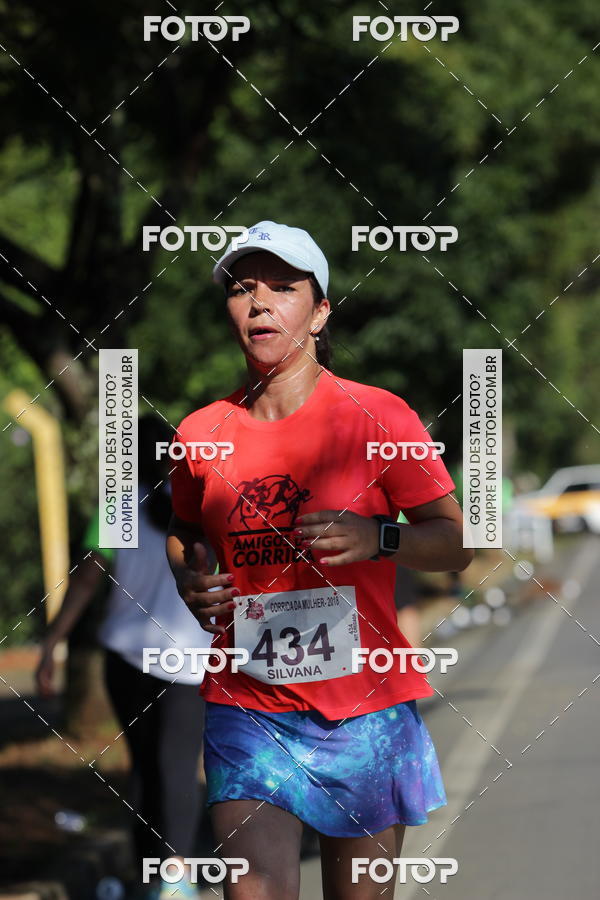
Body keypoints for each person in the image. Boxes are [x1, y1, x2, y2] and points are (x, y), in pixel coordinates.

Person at [166, 220, 473, 900]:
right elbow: (183, 531)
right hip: (248, 706)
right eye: (243, 289)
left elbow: (456, 543)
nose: (259, 303)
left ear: (320, 310)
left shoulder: (378, 416)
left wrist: (378, 538)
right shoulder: (201, 432)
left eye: (283, 287)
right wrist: (190, 577)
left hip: (365, 710)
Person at [36, 416, 212, 900]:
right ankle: (176, 881)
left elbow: (88, 580)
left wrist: (53, 642)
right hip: (187, 659)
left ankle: (147, 873)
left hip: (125, 654)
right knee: (178, 765)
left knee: (141, 764)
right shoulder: (200, 505)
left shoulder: (118, 505)